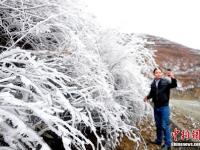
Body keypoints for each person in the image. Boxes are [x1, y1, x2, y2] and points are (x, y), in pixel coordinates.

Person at [144, 68, 177, 150]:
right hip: (156, 107)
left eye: (159, 72)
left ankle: (168, 144)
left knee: (165, 125)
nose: (158, 74)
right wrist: (147, 97)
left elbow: (174, 85)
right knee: (158, 125)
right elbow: (152, 93)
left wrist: (172, 77)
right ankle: (159, 140)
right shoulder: (153, 83)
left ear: (162, 74)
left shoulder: (166, 82)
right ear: (154, 74)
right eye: (156, 73)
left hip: (164, 107)